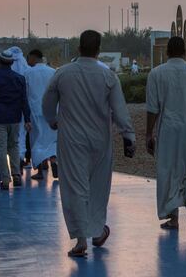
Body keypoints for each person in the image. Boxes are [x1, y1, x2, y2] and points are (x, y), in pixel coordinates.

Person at [42, 30, 136, 258]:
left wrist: (53, 120)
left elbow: (47, 102)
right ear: (98, 50)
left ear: (79, 48)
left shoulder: (63, 74)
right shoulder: (108, 77)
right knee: (98, 187)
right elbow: (120, 111)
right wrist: (128, 136)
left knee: (75, 187)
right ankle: (97, 230)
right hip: (100, 141)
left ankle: (81, 239)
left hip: (71, 140)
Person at [146, 36, 186, 229]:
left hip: (167, 128)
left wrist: (149, 133)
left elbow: (152, 108)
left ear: (167, 52)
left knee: (168, 170)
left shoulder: (156, 74)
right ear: (185, 51)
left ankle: (173, 217)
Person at [0, 51, 31, 189]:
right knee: (14, 145)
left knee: (0, 148)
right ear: (12, 63)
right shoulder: (19, 79)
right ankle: (16, 175)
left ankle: (5, 178)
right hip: (15, 118)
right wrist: (27, 119)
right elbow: (24, 101)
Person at [25, 49, 58, 180]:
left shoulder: (28, 73)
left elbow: (25, 94)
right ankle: (54, 162)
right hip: (51, 111)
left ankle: (40, 170)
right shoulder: (53, 72)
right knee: (51, 140)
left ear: (33, 57)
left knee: (37, 140)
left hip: (35, 111)